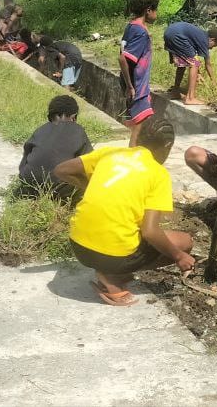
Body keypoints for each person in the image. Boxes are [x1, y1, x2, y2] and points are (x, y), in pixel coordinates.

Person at [53, 119, 192, 306]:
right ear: (167, 147)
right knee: (184, 243)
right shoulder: (158, 174)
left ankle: (110, 270)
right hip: (111, 257)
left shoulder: (111, 153)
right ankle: (111, 276)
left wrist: (91, 186)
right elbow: (150, 231)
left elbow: (61, 170)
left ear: (138, 138)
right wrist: (179, 256)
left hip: (78, 246)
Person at [18, 95, 93, 201]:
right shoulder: (77, 130)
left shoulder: (40, 130)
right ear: (73, 116)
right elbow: (90, 162)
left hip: (29, 186)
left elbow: (25, 158)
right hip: (60, 192)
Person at [120, 0, 160, 147]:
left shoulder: (132, 26)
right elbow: (123, 58)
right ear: (148, 10)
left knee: (141, 127)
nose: (157, 13)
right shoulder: (140, 32)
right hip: (138, 87)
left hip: (136, 85)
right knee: (139, 130)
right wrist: (130, 86)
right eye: (156, 9)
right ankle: (133, 162)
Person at [163, 21, 217, 106]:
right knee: (195, 63)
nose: (211, 48)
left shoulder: (199, 35)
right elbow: (208, 64)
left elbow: (188, 56)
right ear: (212, 40)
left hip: (169, 32)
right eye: (213, 46)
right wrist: (214, 82)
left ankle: (175, 91)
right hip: (177, 35)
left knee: (182, 64)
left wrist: (198, 74)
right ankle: (190, 98)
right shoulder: (204, 40)